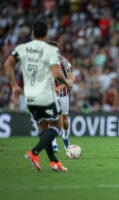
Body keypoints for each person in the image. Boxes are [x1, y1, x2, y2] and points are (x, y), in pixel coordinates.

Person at [3, 21, 73, 172]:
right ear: (46, 34)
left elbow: (7, 65)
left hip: (30, 97)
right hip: (45, 95)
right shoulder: (50, 50)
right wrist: (66, 81)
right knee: (57, 126)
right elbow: (56, 73)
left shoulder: (22, 48)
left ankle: (54, 162)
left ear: (33, 33)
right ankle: (34, 152)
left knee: (43, 128)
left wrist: (14, 86)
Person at [48, 41, 75, 152]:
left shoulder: (64, 62)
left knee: (64, 121)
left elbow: (72, 78)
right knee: (52, 118)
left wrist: (61, 87)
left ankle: (65, 138)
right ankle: (54, 144)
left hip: (63, 94)